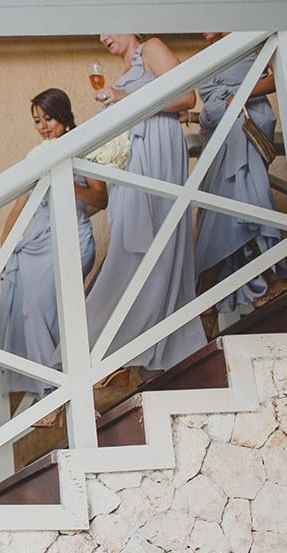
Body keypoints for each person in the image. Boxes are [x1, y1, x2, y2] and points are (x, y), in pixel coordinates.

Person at [84, 34, 207, 383]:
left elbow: (185, 96)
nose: (104, 37)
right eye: (99, 34)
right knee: (133, 242)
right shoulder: (123, 70)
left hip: (155, 151)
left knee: (149, 244)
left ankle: (114, 349)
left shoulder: (150, 48)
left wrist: (125, 96)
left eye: (109, 27)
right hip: (131, 163)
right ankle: (133, 349)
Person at [0, 89, 107, 423]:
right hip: (38, 243)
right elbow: (20, 206)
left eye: (48, 118)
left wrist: (60, 175)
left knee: (42, 306)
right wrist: (3, 249)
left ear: (63, 115)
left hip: (72, 235)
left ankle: (57, 393)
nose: (43, 126)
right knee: (36, 312)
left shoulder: (82, 144)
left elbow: (100, 198)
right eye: (37, 121)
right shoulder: (37, 154)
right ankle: (73, 391)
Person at [194, 32, 287, 322]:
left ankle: (208, 295)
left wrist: (243, 94)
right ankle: (211, 295)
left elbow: (280, 72)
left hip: (243, 125)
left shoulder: (253, 36)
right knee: (218, 212)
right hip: (218, 136)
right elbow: (213, 100)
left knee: (244, 200)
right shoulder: (211, 50)